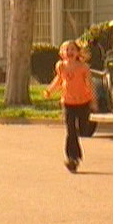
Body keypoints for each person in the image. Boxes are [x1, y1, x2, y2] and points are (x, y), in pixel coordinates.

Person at [43, 40, 95, 173]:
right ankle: (72, 158)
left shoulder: (83, 67)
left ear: (77, 52)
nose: (69, 52)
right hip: (68, 103)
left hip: (83, 102)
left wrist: (93, 101)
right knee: (70, 130)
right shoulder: (61, 66)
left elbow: (90, 84)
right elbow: (59, 80)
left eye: (72, 49)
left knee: (83, 129)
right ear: (62, 53)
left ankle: (75, 155)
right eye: (66, 50)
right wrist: (50, 90)